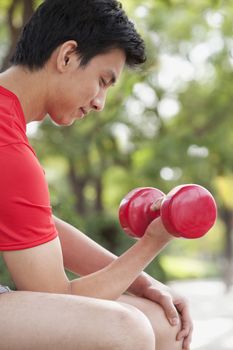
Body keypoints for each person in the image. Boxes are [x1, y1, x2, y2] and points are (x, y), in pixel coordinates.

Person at [0, 0, 193, 349]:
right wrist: (154, 241)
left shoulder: (7, 125)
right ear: (68, 56)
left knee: (164, 322)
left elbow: (38, 224)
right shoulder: (8, 150)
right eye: (103, 81)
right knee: (125, 329)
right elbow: (58, 297)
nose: (100, 102)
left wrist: (145, 282)